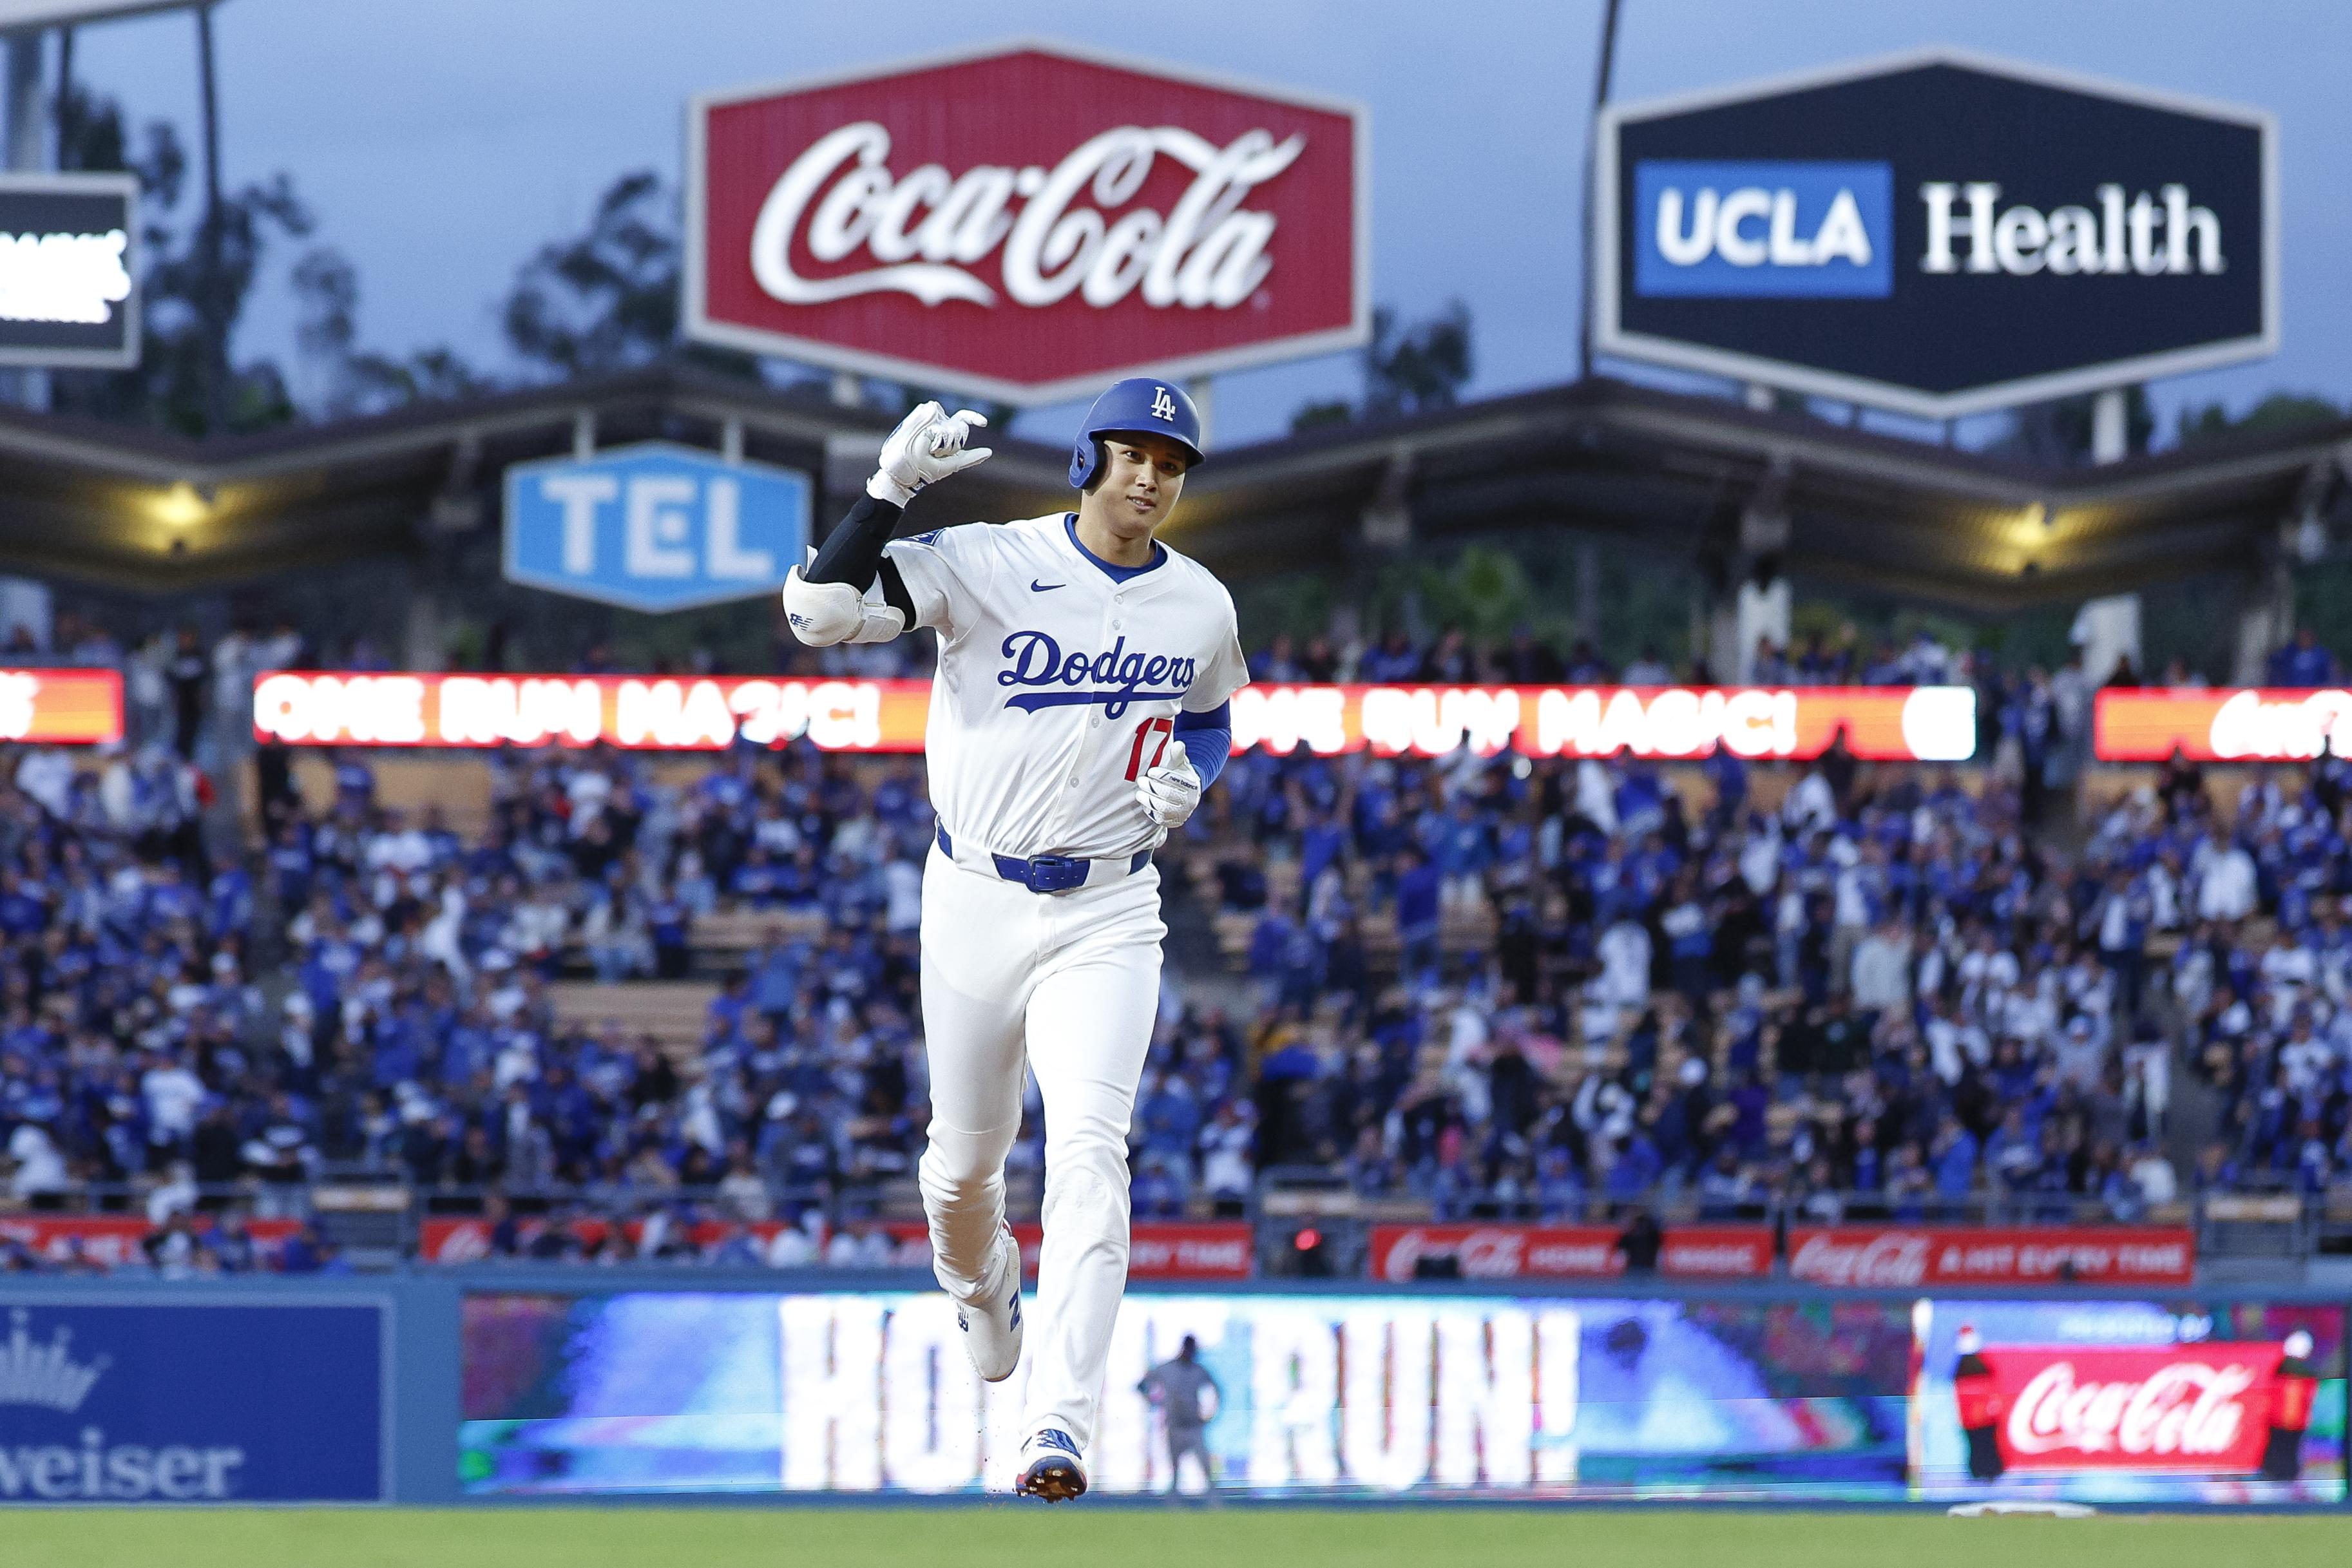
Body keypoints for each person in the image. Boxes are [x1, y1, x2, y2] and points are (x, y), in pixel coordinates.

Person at [783, 379, 1245, 1504]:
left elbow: (1213, 712)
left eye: (1170, 462)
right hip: (976, 896)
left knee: (1092, 1150)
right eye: (1132, 452)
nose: (1149, 475)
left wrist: (1193, 776)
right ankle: (980, 1285)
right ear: (1089, 458)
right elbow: (819, 614)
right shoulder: (989, 558)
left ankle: (1057, 1422)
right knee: (961, 1171)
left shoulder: (1201, 603)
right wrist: (887, 492)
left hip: (1109, 909)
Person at [1138, 1334, 1223, 1502]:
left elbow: (1217, 1391)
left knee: (1206, 1468)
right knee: (1175, 1469)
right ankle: (1174, 1504)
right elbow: (1141, 1385)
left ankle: (1214, 1503)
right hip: (1175, 1427)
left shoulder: (1198, 1371)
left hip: (1193, 1427)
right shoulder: (1167, 1369)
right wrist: (1156, 1402)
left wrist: (1209, 1415)